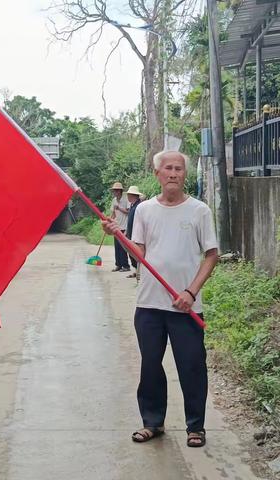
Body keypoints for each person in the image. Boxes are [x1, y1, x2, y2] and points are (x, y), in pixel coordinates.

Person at [102, 151, 218, 448]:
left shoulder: (199, 211)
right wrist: (119, 235)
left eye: (178, 169)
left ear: (184, 175)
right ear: (157, 174)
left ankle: (196, 427)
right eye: (167, 168)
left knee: (191, 365)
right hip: (149, 304)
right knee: (151, 364)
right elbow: (139, 254)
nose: (173, 173)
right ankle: (152, 422)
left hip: (186, 305)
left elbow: (211, 254)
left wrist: (191, 292)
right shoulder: (145, 211)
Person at [110, 182, 130, 272]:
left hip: (124, 226)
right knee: (117, 247)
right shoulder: (114, 200)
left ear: (120, 191)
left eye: (117, 190)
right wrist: (109, 222)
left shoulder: (126, 199)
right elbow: (113, 213)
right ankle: (118, 265)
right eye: (114, 190)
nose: (115, 192)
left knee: (123, 247)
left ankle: (126, 266)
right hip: (117, 226)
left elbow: (128, 212)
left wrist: (119, 208)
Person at [125, 186, 143, 279]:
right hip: (130, 232)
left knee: (136, 253)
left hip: (136, 234)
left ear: (133, 195)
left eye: (129, 194)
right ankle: (136, 271)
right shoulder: (132, 205)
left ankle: (139, 272)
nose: (128, 196)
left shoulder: (138, 206)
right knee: (131, 253)